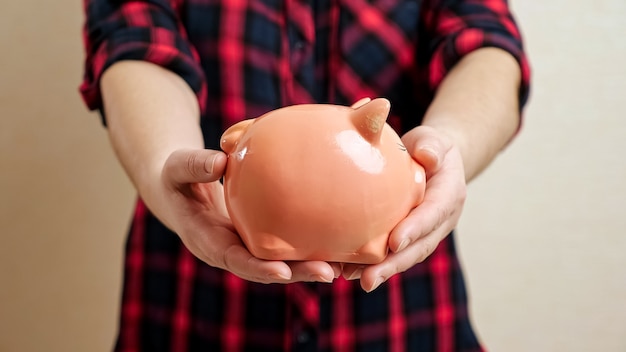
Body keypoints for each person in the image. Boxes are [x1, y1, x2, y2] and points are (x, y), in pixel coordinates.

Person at [80, 0, 530, 350]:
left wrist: (448, 144)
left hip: (403, 310)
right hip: (194, 290)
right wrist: (164, 158)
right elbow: (133, 36)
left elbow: (485, 42)